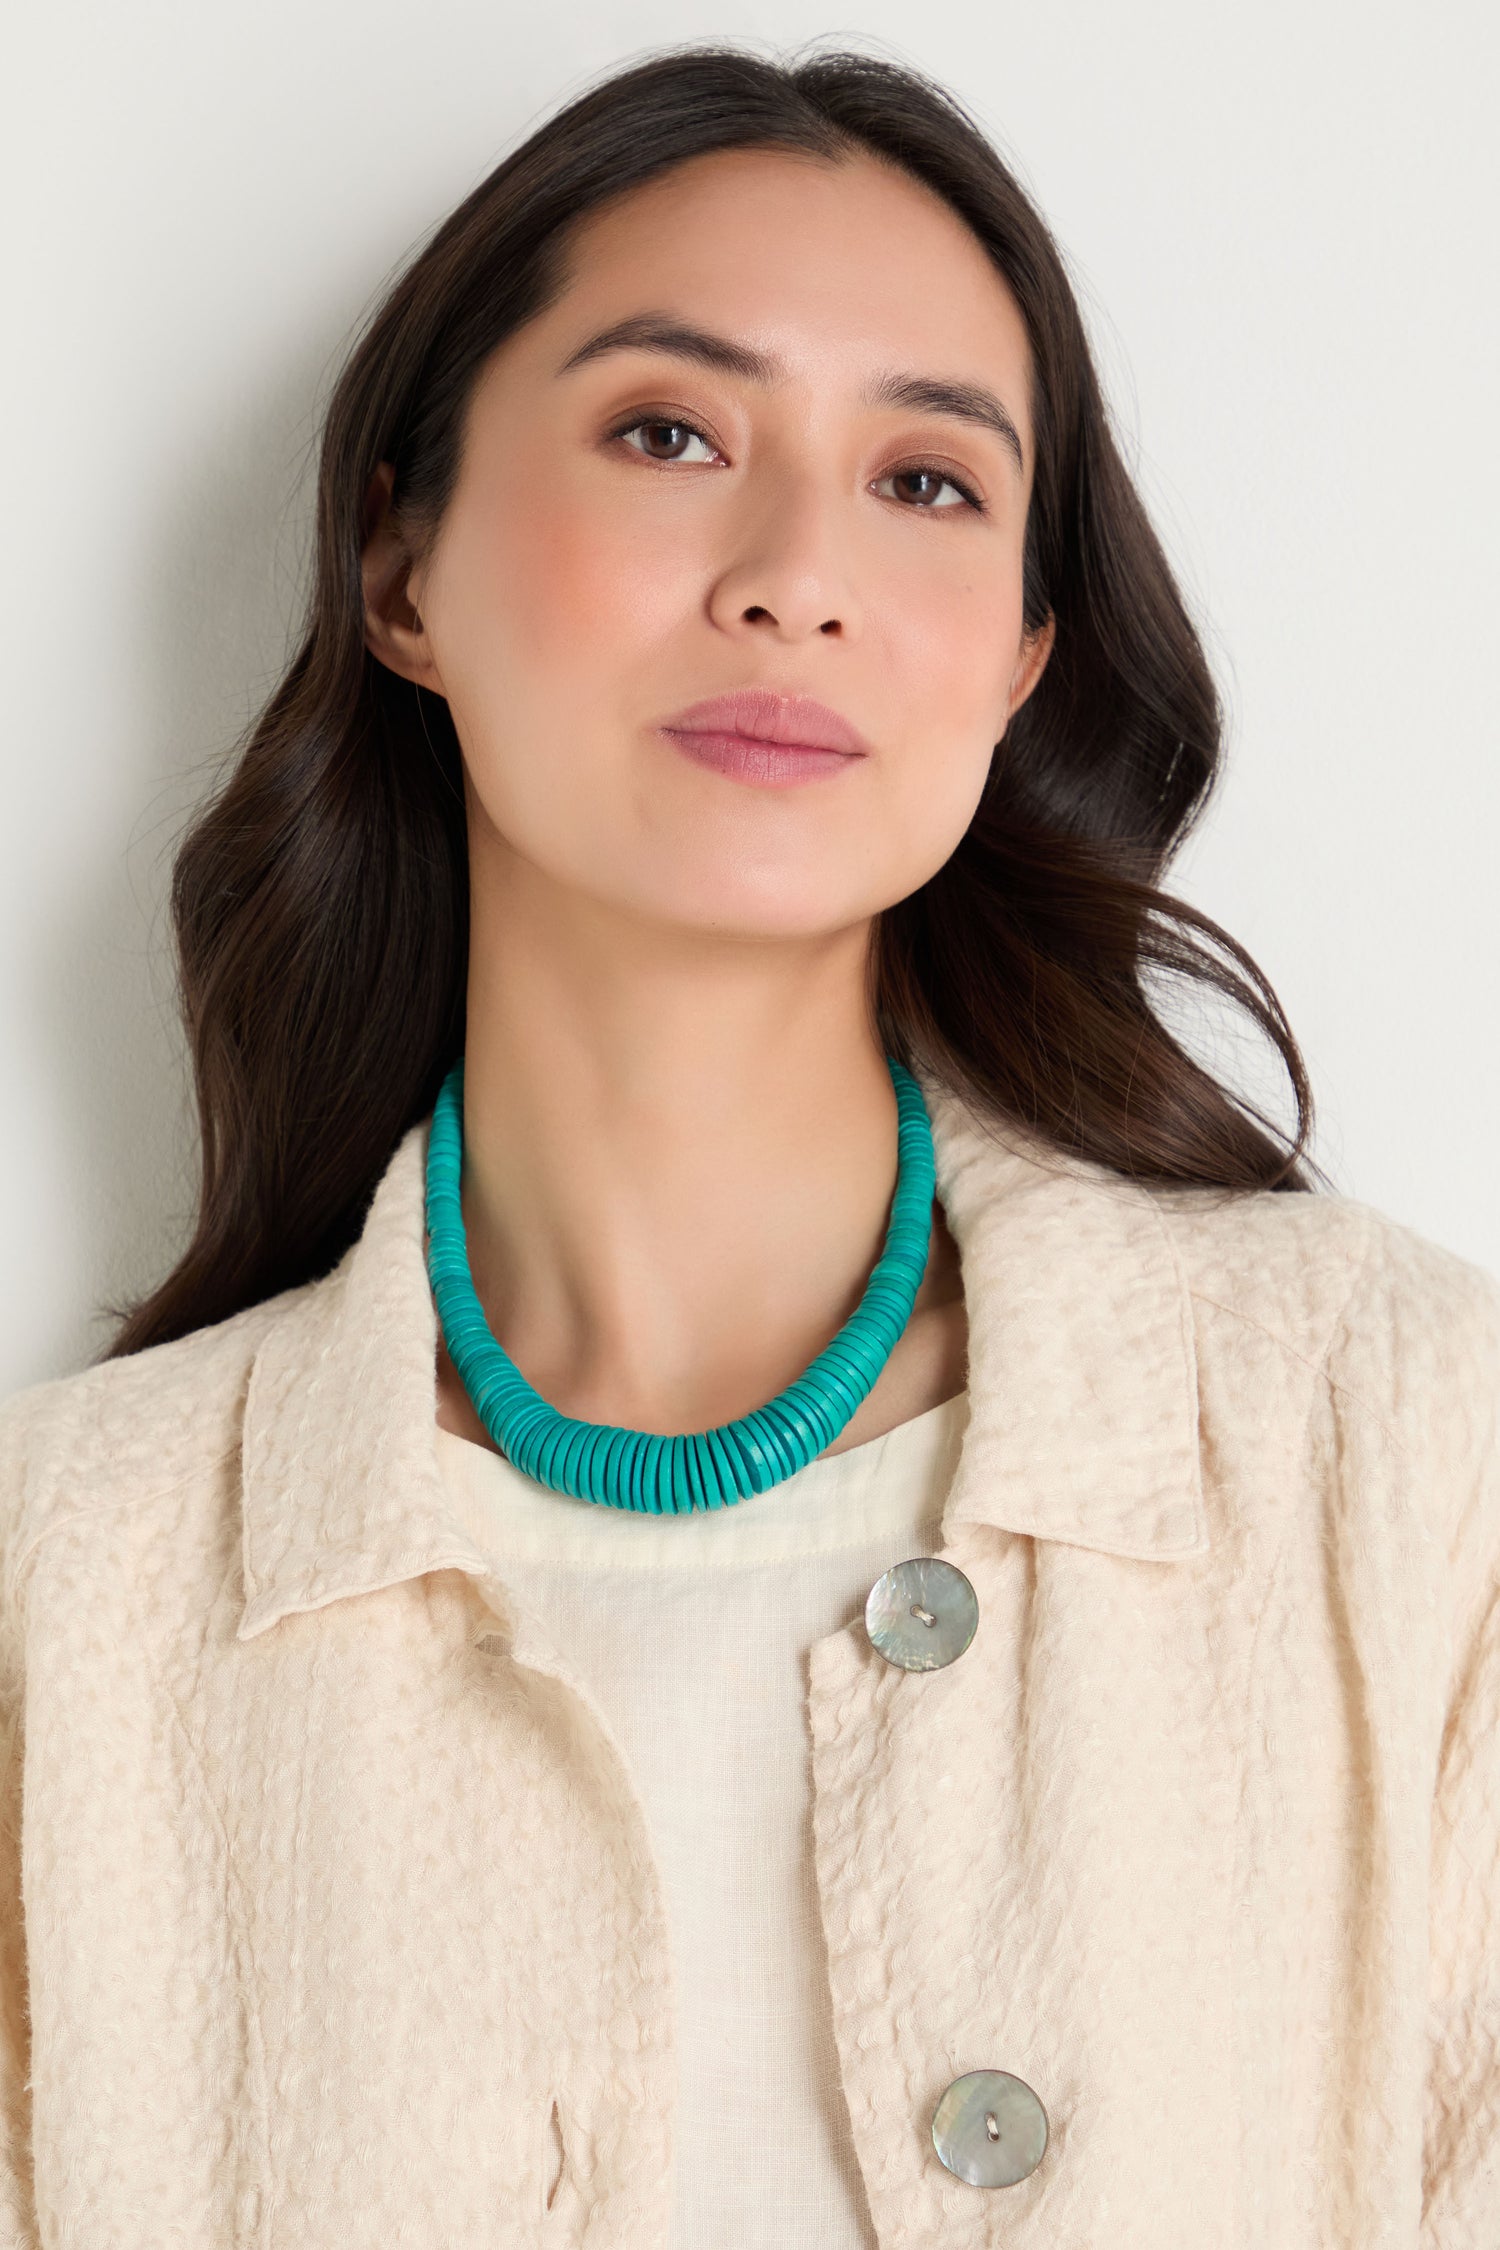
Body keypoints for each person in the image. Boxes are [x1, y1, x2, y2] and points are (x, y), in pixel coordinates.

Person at [0, 42, 1494, 2250]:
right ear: (400, 566)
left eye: (928, 482)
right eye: (672, 433)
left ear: (1021, 659)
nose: (799, 575)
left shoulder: (1394, 1439)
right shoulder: (70, 1592)